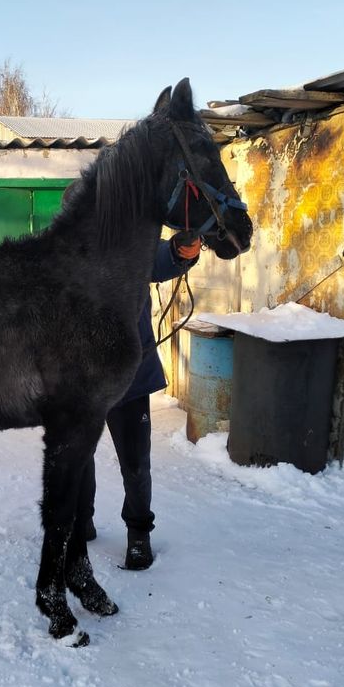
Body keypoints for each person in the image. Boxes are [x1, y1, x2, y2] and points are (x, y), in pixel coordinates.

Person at [83, 230, 201, 570]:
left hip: (129, 380)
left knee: (135, 465)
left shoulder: (130, 250)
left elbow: (162, 259)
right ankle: (82, 520)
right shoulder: (64, 254)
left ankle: (138, 535)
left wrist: (181, 251)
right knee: (78, 459)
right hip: (81, 383)